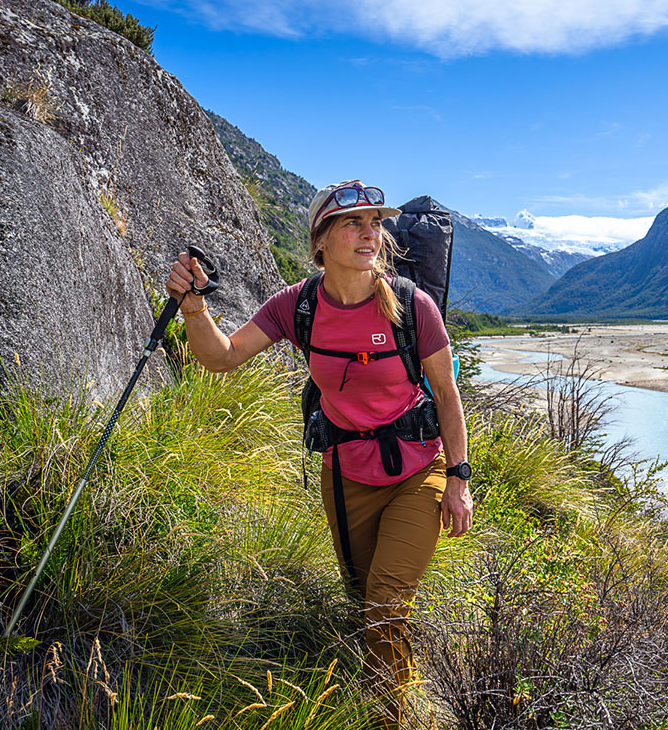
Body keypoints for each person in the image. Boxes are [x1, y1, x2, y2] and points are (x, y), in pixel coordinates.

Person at [165, 179, 473, 727]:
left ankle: (391, 716)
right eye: (353, 223)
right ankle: (399, 681)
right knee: (364, 602)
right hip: (345, 476)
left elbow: (447, 394)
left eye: (375, 223)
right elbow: (222, 356)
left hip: (417, 472)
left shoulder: (411, 304)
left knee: (384, 601)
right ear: (321, 241)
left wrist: (458, 478)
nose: (369, 233)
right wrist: (193, 308)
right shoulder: (298, 305)